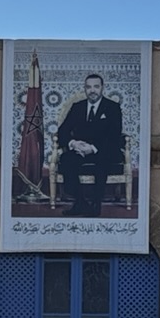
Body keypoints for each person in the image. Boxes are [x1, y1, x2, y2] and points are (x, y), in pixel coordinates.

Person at [55, 73, 125, 216]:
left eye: (96, 87)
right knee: (66, 159)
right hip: (81, 149)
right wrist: (74, 143)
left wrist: (93, 149)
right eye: (88, 87)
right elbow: (63, 130)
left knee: (103, 159)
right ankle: (80, 202)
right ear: (85, 89)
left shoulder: (112, 107)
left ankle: (95, 204)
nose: (92, 90)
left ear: (102, 88)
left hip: (104, 149)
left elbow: (114, 135)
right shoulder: (78, 107)